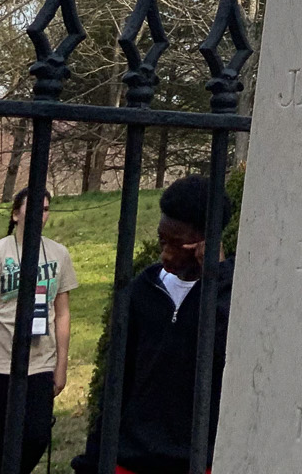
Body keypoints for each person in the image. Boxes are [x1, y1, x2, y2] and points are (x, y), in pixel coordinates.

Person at [73, 175, 232, 474]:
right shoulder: (142, 289)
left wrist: (219, 276)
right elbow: (117, 378)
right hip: (133, 458)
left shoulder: (232, 291)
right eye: (162, 240)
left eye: (178, 244)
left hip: (200, 459)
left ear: (205, 241)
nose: (165, 254)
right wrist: (93, 458)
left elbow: (229, 354)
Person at [0, 191, 77, 474]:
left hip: (40, 362)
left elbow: (62, 312)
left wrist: (61, 365)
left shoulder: (58, 255)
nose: (41, 214)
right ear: (16, 214)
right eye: (34, 208)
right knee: (0, 441)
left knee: (37, 435)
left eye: (46, 209)